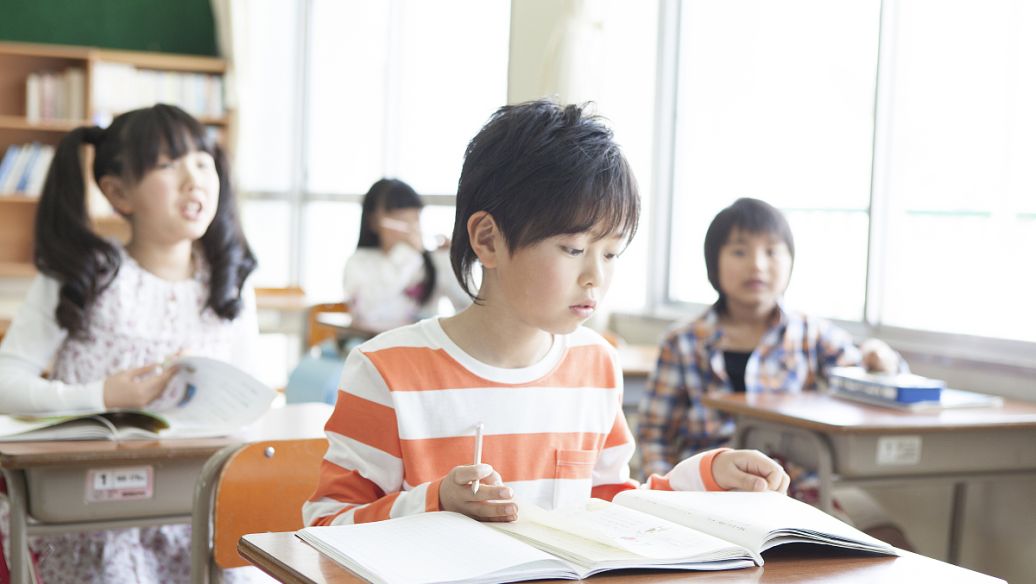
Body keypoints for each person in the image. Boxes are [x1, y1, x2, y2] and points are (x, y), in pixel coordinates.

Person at [303, 101, 790, 528]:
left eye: (611, 253)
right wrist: (435, 502)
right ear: (488, 240)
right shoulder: (387, 370)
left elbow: (608, 507)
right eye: (573, 249)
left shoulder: (594, 364)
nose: (595, 276)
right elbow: (326, 528)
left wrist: (707, 477)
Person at [0, 105, 260, 582]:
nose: (194, 180)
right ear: (119, 193)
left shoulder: (230, 284)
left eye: (203, 161)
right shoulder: (84, 277)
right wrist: (102, 396)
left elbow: (251, 407)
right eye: (168, 164)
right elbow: (4, 384)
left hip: (202, 514)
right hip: (92, 519)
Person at [637, 196, 912, 547]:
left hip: (799, 485)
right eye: (739, 251)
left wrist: (881, 359)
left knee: (888, 542)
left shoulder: (810, 333)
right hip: (709, 489)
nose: (757, 265)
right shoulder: (683, 341)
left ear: (790, 262)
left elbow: (875, 376)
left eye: (772, 252)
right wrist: (664, 496)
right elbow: (654, 435)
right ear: (714, 262)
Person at [342, 178, 470, 334]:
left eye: (415, 218)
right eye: (400, 219)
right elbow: (371, 312)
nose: (411, 228)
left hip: (423, 345)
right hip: (371, 342)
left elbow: (467, 305)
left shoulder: (433, 261)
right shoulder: (358, 262)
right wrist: (409, 254)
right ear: (374, 221)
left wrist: (455, 261)